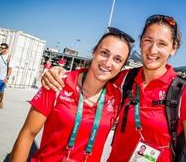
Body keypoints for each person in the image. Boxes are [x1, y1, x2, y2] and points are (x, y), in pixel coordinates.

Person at [41, 14, 186, 162]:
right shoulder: (125, 79)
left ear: (174, 48)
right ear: (141, 41)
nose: (152, 49)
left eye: (162, 44)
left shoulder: (183, 93)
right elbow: (96, 73)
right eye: (148, 40)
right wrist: (60, 72)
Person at [10, 27, 134, 162]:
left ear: (122, 67)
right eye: (104, 53)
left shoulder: (117, 97)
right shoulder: (57, 83)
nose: (108, 62)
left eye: (117, 59)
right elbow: (27, 134)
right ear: (94, 52)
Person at [0, 43, 13, 109]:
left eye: (2, 48)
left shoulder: (9, 57)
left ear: (6, 49)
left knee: (1, 92)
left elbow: (10, 69)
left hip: (2, 78)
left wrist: (7, 78)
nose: (0, 49)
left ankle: (1, 101)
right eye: (0, 47)